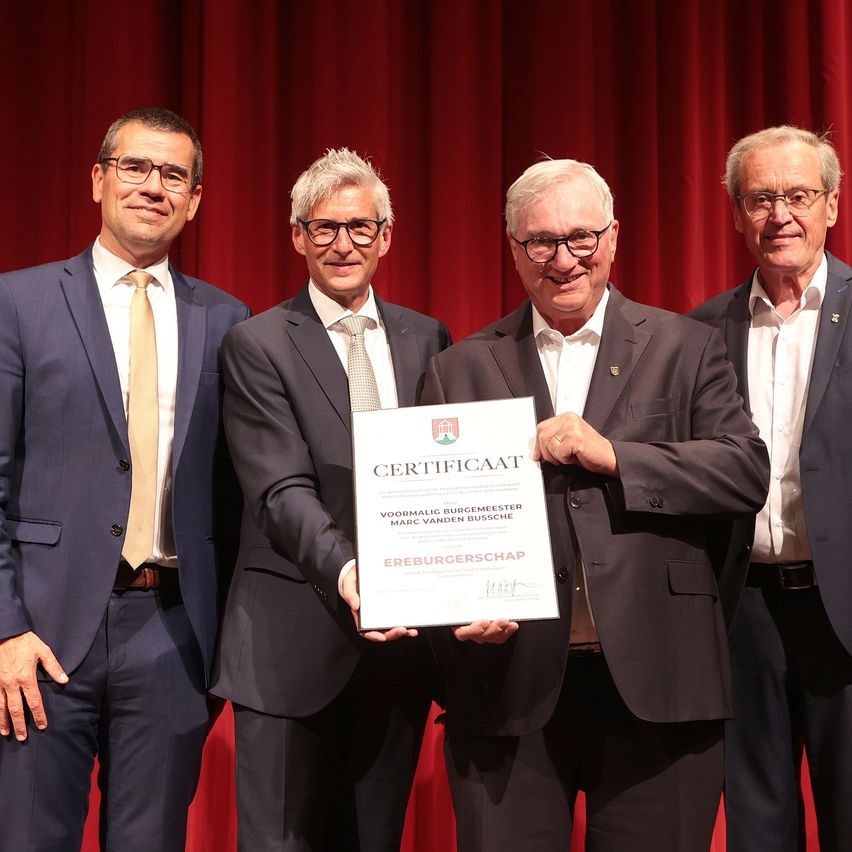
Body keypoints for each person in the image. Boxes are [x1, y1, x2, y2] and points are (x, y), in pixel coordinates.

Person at [419, 158, 770, 852]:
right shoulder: (458, 367)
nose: (564, 259)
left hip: (661, 683)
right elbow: (434, 519)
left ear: (613, 238)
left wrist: (615, 457)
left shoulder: (686, 346)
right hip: (508, 688)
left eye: (581, 237)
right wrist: (453, 609)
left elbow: (742, 472)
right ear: (514, 249)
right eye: (541, 242)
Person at [0, 107, 250, 850]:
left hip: (171, 631)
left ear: (195, 199)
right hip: (40, 637)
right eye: (136, 168)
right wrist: (6, 627)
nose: (154, 186)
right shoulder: (18, 303)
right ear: (98, 180)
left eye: (174, 174)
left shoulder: (227, 319)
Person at [211, 148, 451, 851]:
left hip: (398, 653)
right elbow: (280, 490)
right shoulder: (256, 345)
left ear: (386, 236)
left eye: (359, 227)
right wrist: (354, 578)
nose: (342, 244)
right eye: (324, 228)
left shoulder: (426, 337)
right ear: (297, 236)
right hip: (289, 646)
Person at [690, 126, 852, 852]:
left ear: (832, 206)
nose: (779, 214)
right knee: (757, 825)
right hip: (742, 610)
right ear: (735, 213)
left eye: (798, 195)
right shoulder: (698, 333)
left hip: (844, 606)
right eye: (760, 198)